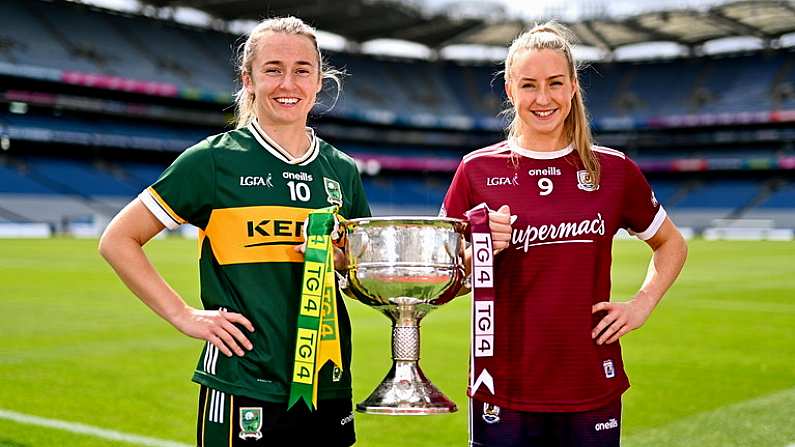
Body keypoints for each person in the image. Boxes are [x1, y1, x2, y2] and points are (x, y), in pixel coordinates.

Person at [99, 16, 370, 446]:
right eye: (273, 69)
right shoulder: (212, 162)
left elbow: (359, 272)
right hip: (242, 382)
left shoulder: (341, 170)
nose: (289, 83)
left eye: (302, 70)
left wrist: (340, 261)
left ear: (319, 81)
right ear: (248, 79)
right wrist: (182, 314)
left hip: (328, 382)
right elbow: (117, 239)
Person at [441, 22, 688, 447]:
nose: (543, 98)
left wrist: (641, 304)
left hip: (590, 380)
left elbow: (671, 244)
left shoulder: (614, 170)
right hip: (502, 384)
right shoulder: (476, 170)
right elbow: (442, 277)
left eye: (555, 83)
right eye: (529, 85)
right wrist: (478, 253)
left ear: (573, 87)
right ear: (509, 89)